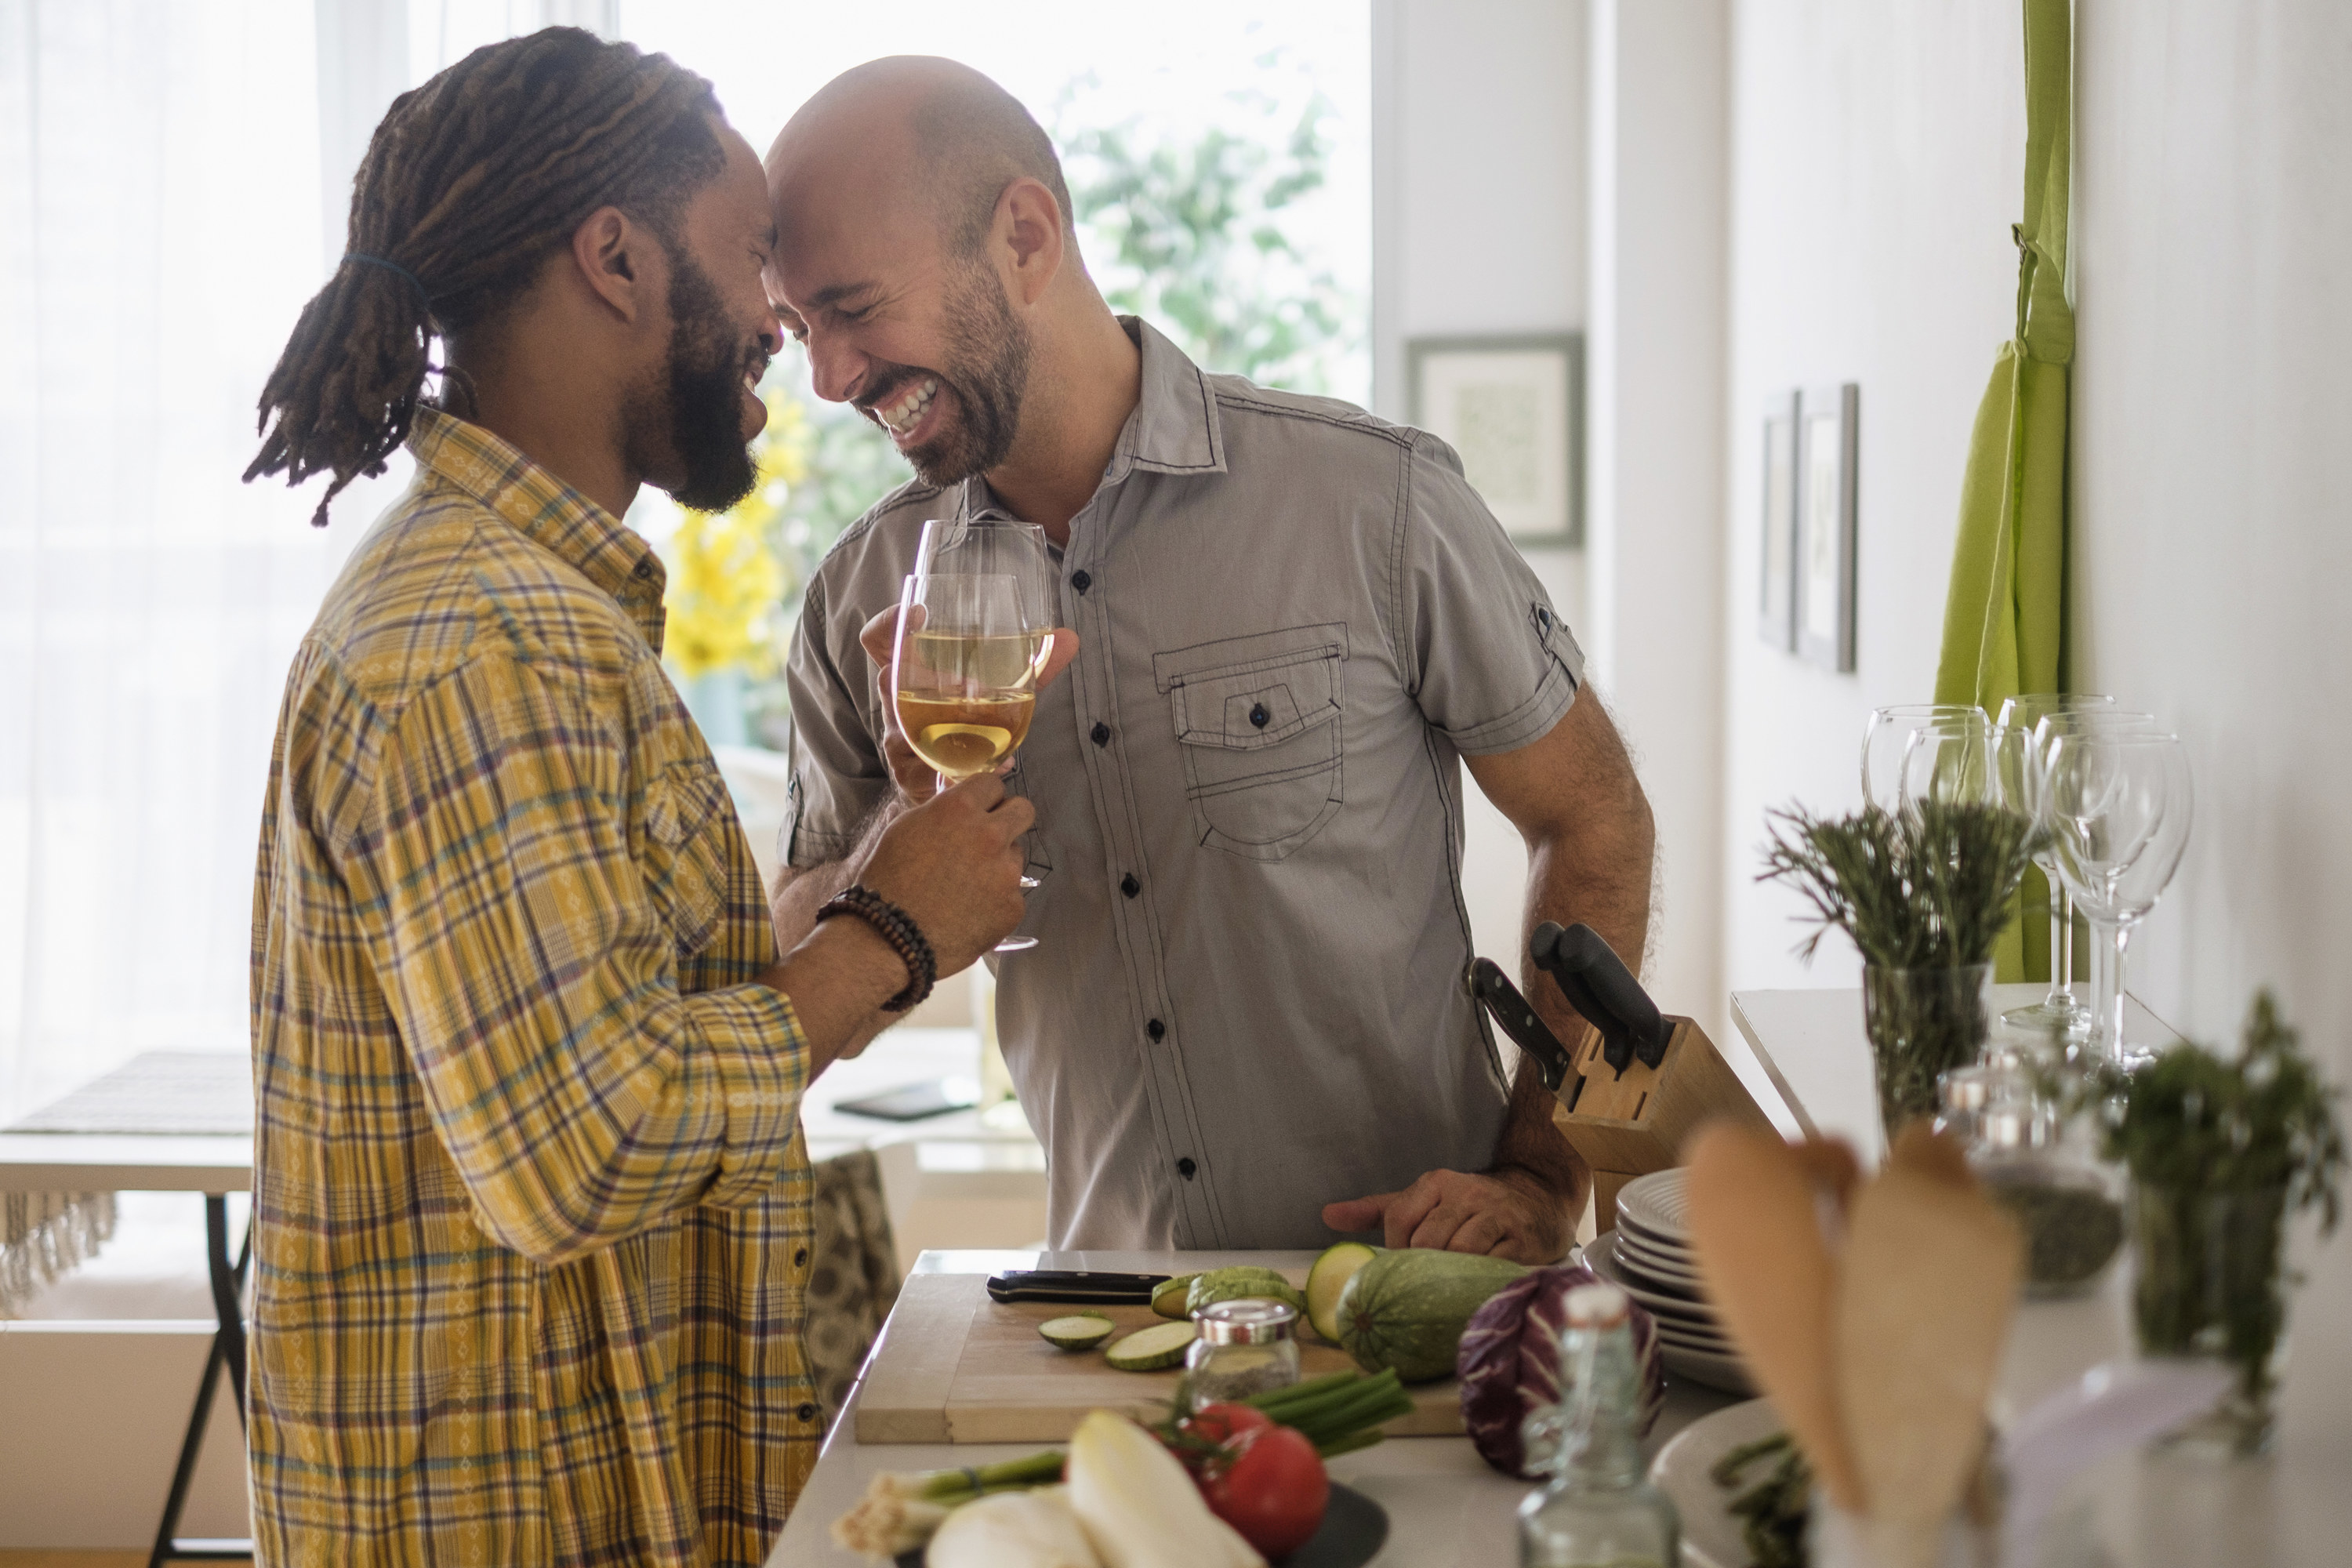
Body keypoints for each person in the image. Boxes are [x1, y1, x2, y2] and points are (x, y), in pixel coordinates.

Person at [241, 31, 1037, 1565]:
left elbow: (644, 1044)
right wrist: (891, 927)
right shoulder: (483, 637)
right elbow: (588, 1146)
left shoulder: (527, 605)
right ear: (614, 257)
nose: (780, 337)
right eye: (756, 268)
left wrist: (889, 860)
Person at [764, 59, 1657, 1264]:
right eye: (797, 330)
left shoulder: (1374, 503)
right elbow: (806, 977)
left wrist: (1544, 1177)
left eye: (854, 308)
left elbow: (1594, 814)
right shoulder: (858, 601)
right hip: (1102, 1313)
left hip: (1422, 1301)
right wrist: (903, 851)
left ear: (1026, 236)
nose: (826, 378)